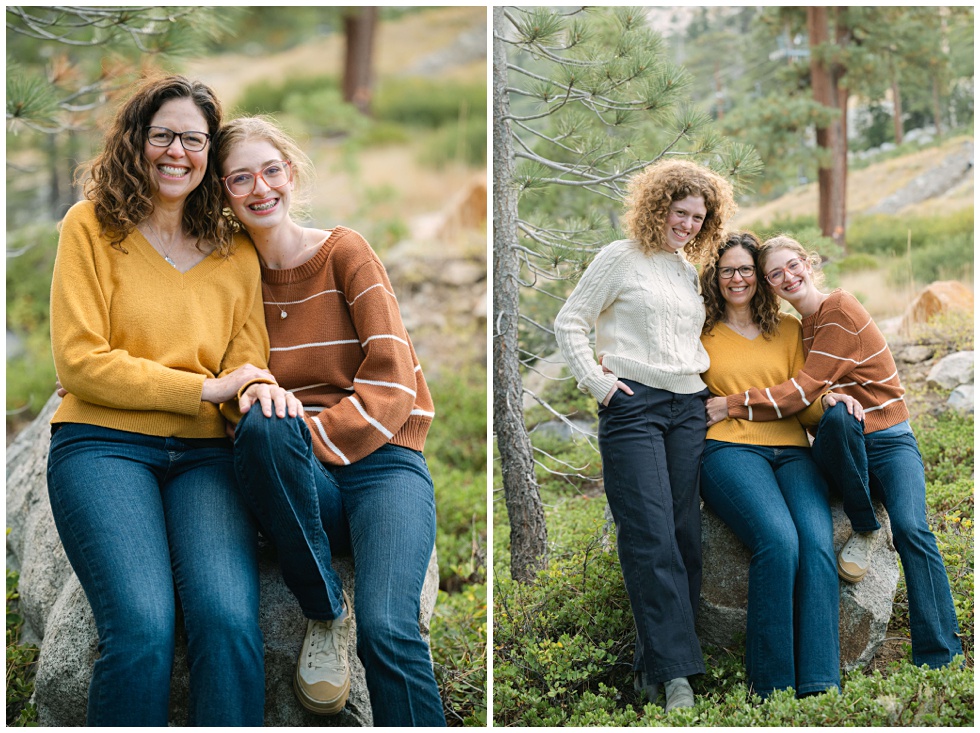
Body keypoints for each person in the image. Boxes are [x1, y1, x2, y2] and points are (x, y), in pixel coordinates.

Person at [46, 74, 293, 726]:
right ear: (137, 140)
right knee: (143, 625)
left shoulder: (234, 252)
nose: (177, 151)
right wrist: (204, 388)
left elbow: (248, 363)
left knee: (229, 622)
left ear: (209, 151)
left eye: (194, 139)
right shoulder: (90, 228)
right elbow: (80, 360)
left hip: (206, 457)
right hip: (102, 447)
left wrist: (256, 390)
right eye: (164, 135)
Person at [214, 116, 446, 726]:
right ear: (221, 192)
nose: (260, 188)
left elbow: (394, 378)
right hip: (296, 483)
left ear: (291, 173)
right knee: (262, 423)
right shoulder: (226, 278)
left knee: (390, 630)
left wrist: (304, 442)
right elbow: (221, 380)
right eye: (240, 178)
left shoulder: (344, 251)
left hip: (383, 467)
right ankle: (322, 609)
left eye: (271, 170)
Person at [706, 234, 963, 670]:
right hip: (840, 446)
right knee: (839, 421)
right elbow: (811, 396)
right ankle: (862, 520)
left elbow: (804, 390)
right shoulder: (801, 327)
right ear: (768, 286)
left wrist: (734, 403)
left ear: (809, 262)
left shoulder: (838, 309)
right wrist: (826, 402)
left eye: (792, 266)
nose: (787, 277)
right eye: (775, 274)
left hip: (889, 441)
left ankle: (939, 656)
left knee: (913, 530)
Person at [554, 158, 735, 711]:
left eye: (699, 218)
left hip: (688, 405)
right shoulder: (619, 258)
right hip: (633, 406)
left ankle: (654, 665)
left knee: (682, 535)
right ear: (659, 207)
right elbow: (569, 321)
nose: (688, 225)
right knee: (649, 533)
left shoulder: (686, 268)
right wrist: (598, 383)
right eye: (680, 213)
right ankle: (678, 677)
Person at [698, 231, 853, 699]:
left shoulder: (787, 330)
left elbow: (802, 403)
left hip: (793, 450)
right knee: (778, 541)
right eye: (728, 270)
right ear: (715, 277)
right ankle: (770, 686)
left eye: (746, 269)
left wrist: (831, 405)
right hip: (728, 449)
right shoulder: (700, 334)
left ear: (758, 278)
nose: (737, 278)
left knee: (816, 542)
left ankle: (821, 681)